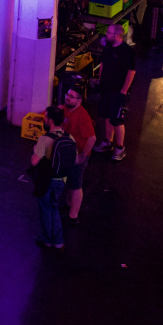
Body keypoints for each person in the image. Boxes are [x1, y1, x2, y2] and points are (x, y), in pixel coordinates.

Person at [31, 105, 73, 250]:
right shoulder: (69, 137)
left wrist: (35, 150)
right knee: (54, 208)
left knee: (45, 210)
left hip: (46, 180)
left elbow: (34, 161)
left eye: (45, 117)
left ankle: (47, 241)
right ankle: (59, 242)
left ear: (49, 121)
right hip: (61, 180)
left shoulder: (45, 139)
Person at [94, 23, 136, 162]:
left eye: (109, 33)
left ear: (117, 35)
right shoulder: (108, 47)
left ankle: (120, 147)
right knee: (107, 116)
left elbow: (131, 71)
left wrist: (123, 91)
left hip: (118, 91)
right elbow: (104, 64)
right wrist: (100, 79)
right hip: (106, 88)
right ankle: (107, 141)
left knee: (117, 120)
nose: (106, 34)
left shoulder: (127, 51)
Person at [60, 85, 94, 225]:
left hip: (78, 155)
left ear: (79, 100)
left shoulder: (82, 117)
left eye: (72, 97)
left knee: (76, 185)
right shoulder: (67, 109)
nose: (68, 97)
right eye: (68, 94)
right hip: (70, 153)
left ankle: (73, 216)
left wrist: (82, 156)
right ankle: (69, 206)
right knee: (70, 182)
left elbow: (92, 138)